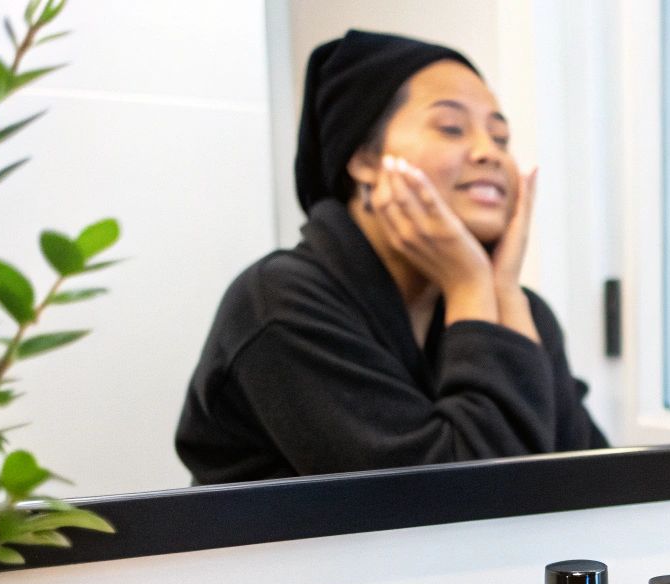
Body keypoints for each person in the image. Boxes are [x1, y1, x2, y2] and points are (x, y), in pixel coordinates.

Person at [176, 30, 607, 484]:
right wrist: (471, 287)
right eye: (451, 128)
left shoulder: (521, 315)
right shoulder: (280, 302)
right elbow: (455, 506)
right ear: (363, 156)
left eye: (501, 138)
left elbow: (595, 487)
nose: (489, 153)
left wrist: (503, 293)